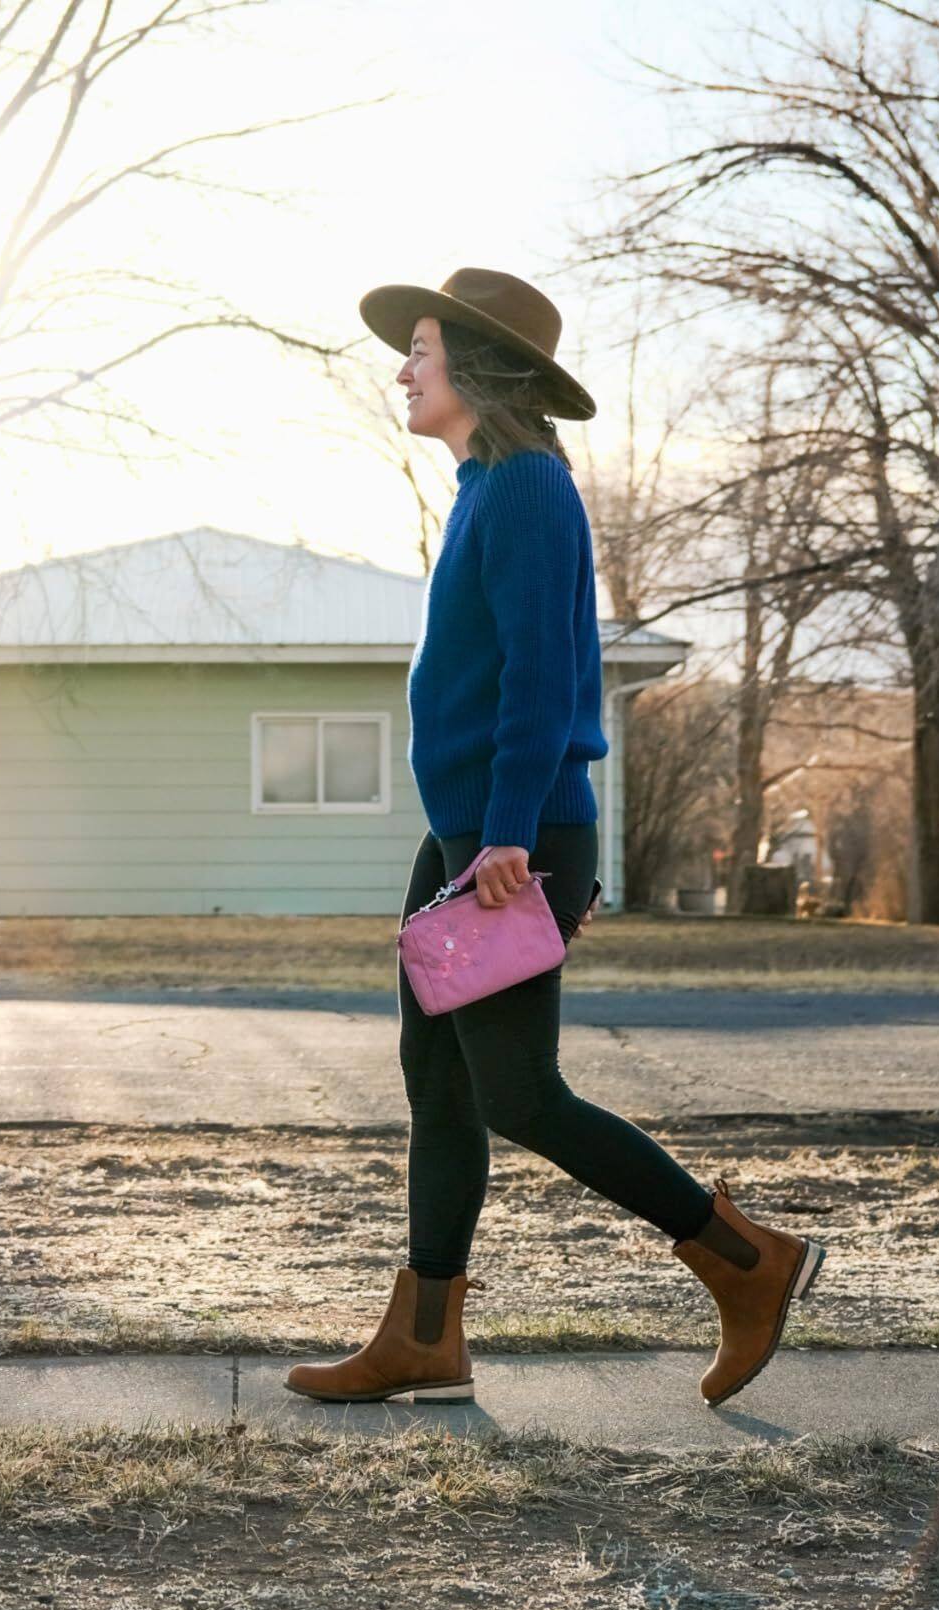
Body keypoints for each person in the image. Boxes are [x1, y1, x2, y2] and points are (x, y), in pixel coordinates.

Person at [283, 267, 828, 1410]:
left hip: (510, 842)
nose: (401, 368)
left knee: (517, 1093)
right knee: (437, 1085)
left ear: (475, 367)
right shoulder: (487, 487)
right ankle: (425, 1337)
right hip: (469, 839)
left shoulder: (527, 486)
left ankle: (746, 1260)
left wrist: (511, 836)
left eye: (419, 348)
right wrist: (475, 836)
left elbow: (540, 680)